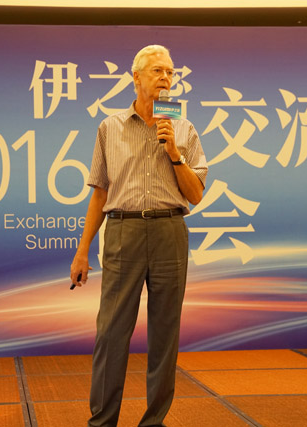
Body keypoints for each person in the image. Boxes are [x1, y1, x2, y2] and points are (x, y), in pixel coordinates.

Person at [70, 44, 208, 427]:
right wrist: (82, 251)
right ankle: (103, 421)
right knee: (111, 332)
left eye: (170, 72)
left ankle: (153, 422)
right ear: (137, 77)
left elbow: (195, 194)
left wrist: (174, 152)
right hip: (122, 231)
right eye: (157, 71)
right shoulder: (109, 127)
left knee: (165, 334)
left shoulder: (183, 129)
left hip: (169, 231)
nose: (166, 78)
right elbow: (99, 193)